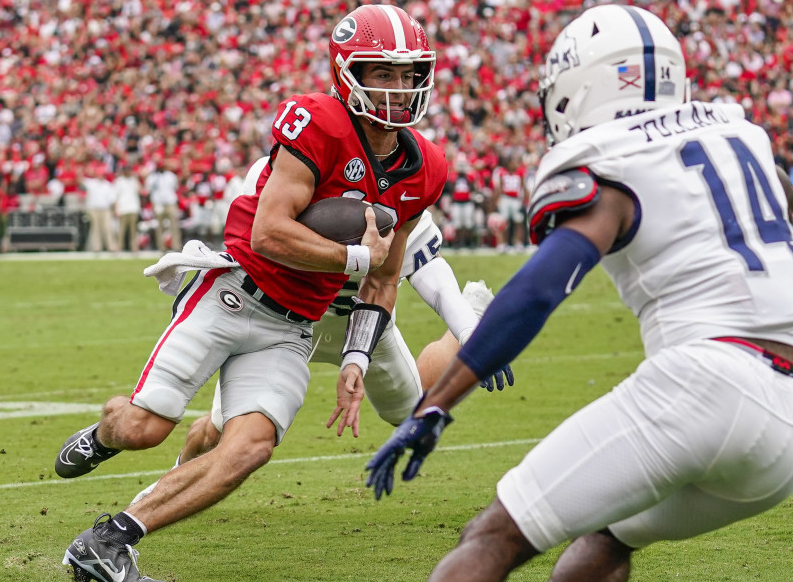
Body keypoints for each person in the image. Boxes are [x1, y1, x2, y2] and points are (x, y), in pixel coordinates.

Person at [272, 5, 793, 582]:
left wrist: (436, 405)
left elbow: (538, 290)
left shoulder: (609, 153)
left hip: (703, 382)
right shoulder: (742, 134)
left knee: (494, 534)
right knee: (612, 529)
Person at [55, 4, 448, 582]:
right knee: (142, 429)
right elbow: (270, 232)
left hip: (295, 327)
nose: (397, 89)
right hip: (236, 294)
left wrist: (355, 358)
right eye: (381, 73)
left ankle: (109, 541)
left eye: (407, 74)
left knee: (250, 448)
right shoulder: (318, 120)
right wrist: (355, 258)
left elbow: (384, 282)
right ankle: (104, 431)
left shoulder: (427, 167)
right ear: (348, 72)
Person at [129, 200, 513, 505]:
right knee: (218, 427)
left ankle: (472, 312)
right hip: (284, 321)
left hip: (368, 330)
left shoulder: (401, 195)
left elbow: (434, 277)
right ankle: (170, 486)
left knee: (414, 411)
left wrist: (470, 332)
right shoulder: (285, 178)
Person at [145, 163, 181, 250]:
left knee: (174, 225)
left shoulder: (171, 176)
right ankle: (161, 246)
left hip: (170, 202)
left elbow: (175, 187)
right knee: (159, 226)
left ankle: (176, 245)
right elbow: (148, 189)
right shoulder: (152, 177)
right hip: (158, 203)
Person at [114, 165, 142, 252]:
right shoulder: (118, 181)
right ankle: (119, 247)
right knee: (122, 230)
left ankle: (134, 248)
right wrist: (116, 209)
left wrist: (137, 179)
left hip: (133, 208)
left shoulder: (134, 181)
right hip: (123, 209)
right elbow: (115, 196)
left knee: (133, 231)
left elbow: (140, 190)